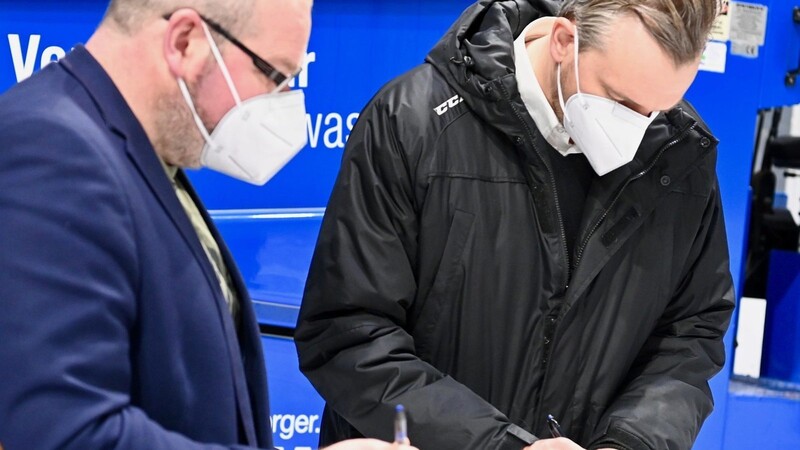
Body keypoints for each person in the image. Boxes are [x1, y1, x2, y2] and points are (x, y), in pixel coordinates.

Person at [295, 0, 735, 449]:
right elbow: (349, 334)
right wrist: (496, 443)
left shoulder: (678, 154)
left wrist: (630, 442)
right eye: (620, 100)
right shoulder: (414, 124)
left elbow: (689, 337)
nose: (638, 129)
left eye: (659, 109)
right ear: (564, 41)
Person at [0, 1, 416, 449]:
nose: (283, 104)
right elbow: (64, 432)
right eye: (275, 75)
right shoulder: (55, 149)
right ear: (186, 42)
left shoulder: (136, 155)